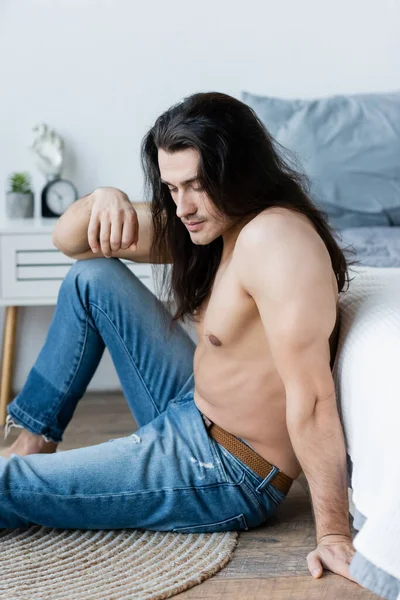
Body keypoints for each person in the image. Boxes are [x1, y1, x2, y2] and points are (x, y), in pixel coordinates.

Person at [1, 92, 355, 582]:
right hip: (190, 408)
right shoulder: (211, 225)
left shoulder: (276, 241)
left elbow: (314, 397)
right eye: (170, 188)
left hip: (225, 470)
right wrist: (105, 195)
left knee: (6, 486)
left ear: (240, 171)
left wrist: (334, 534)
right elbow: (69, 241)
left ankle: (23, 469)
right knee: (93, 279)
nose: (183, 206)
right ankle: (32, 442)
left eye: (196, 185)